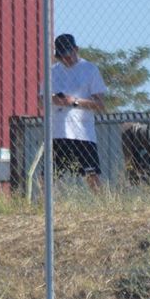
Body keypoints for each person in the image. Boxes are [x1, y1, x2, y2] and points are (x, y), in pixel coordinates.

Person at [46, 33, 107, 192]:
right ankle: (44, 209)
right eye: (61, 56)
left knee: (91, 175)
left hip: (82, 133)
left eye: (68, 55)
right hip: (58, 133)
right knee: (50, 175)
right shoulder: (52, 72)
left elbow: (100, 105)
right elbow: (40, 100)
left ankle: (104, 207)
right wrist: (54, 99)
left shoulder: (90, 70)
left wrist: (74, 101)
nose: (66, 59)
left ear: (76, 49)